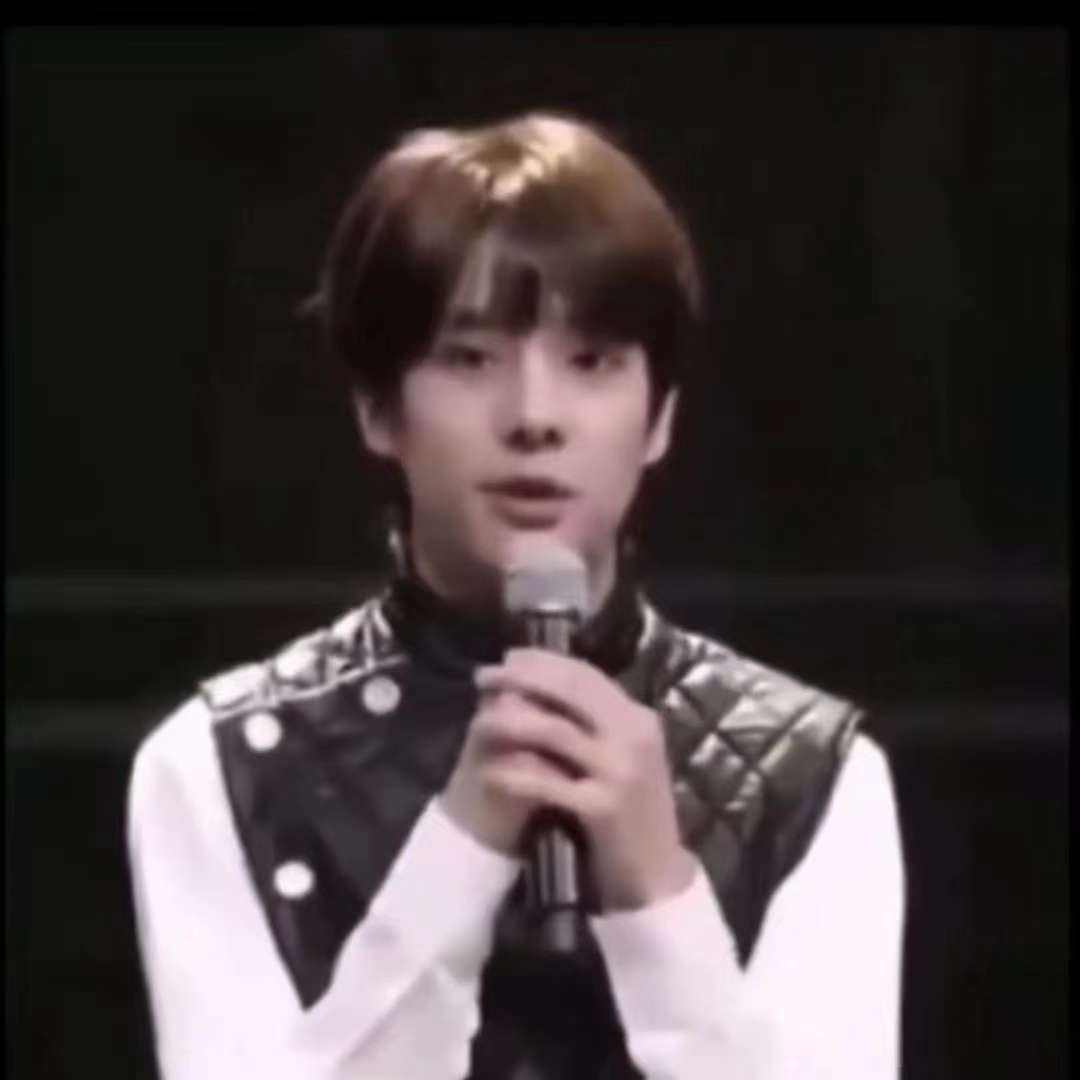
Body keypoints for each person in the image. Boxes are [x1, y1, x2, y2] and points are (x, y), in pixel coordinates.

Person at [127, 111, 905, 1079]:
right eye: (472, 357)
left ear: (660, 417)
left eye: (592, 362)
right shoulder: (218, 769)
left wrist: (661, 898)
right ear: (377, 407)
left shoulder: (815, 779)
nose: (535, 417)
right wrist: (459, 850)